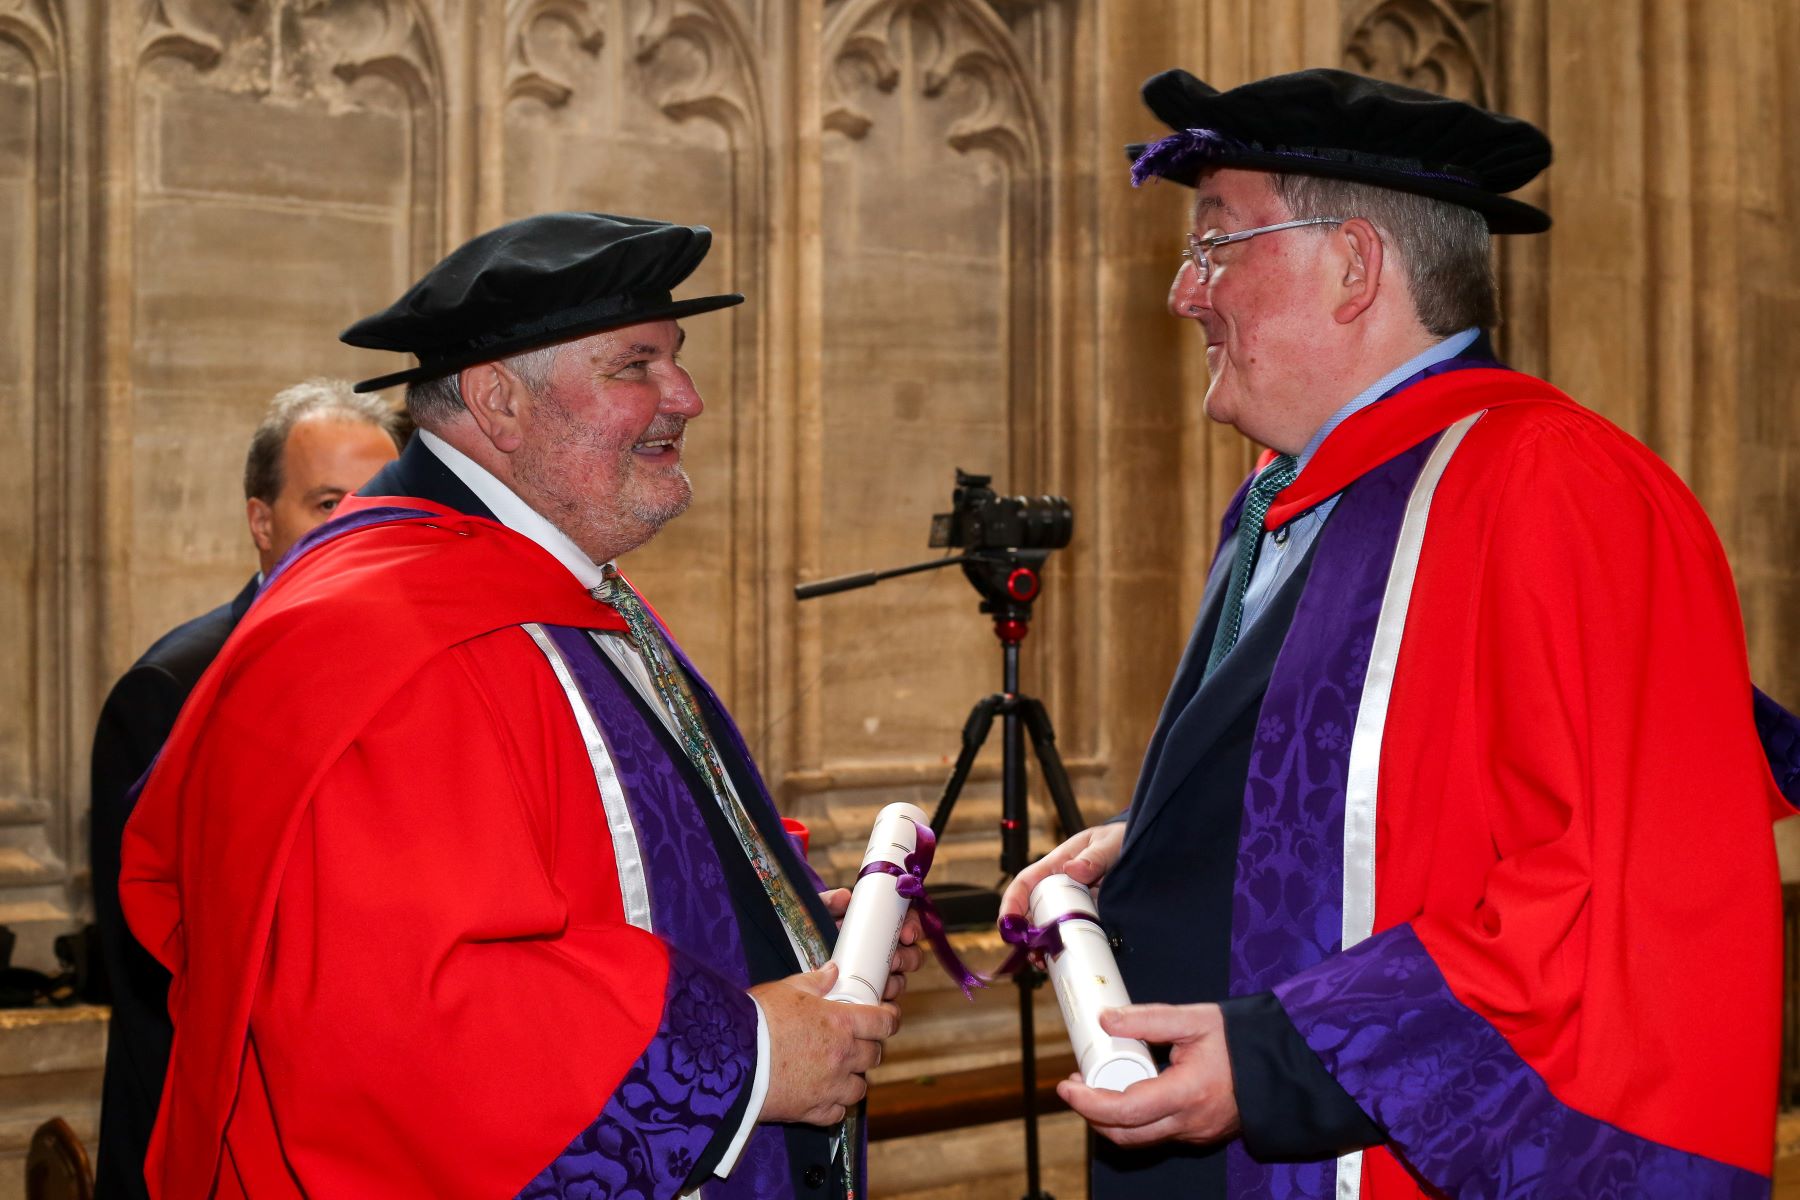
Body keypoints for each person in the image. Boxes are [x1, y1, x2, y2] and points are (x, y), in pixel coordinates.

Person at [1002, 68, 1798, 1199]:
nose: (1185, 292)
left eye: (1216, 243)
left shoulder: (1554, 487)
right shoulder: (1293, 494)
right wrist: (1178, 841)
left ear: (1354, 266)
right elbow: (1399, 783)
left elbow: (1603, 880)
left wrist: (1292, 1056)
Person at [118, 212, 920, 1200]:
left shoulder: (541, 584)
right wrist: (748, 1052)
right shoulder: (383, 638)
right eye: (637, 366)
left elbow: (605, 860)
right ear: (500, 399)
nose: (689, 397)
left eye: (678, 359)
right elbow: (398, 1027)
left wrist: (793, 925)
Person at [90, 380, 402, 1200]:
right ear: (262, 522)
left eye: (375, 502)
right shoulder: (172, 686)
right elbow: (157, 967)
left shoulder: (410, 673)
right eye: (326, 501)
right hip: (209, 1135)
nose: (352, 527)